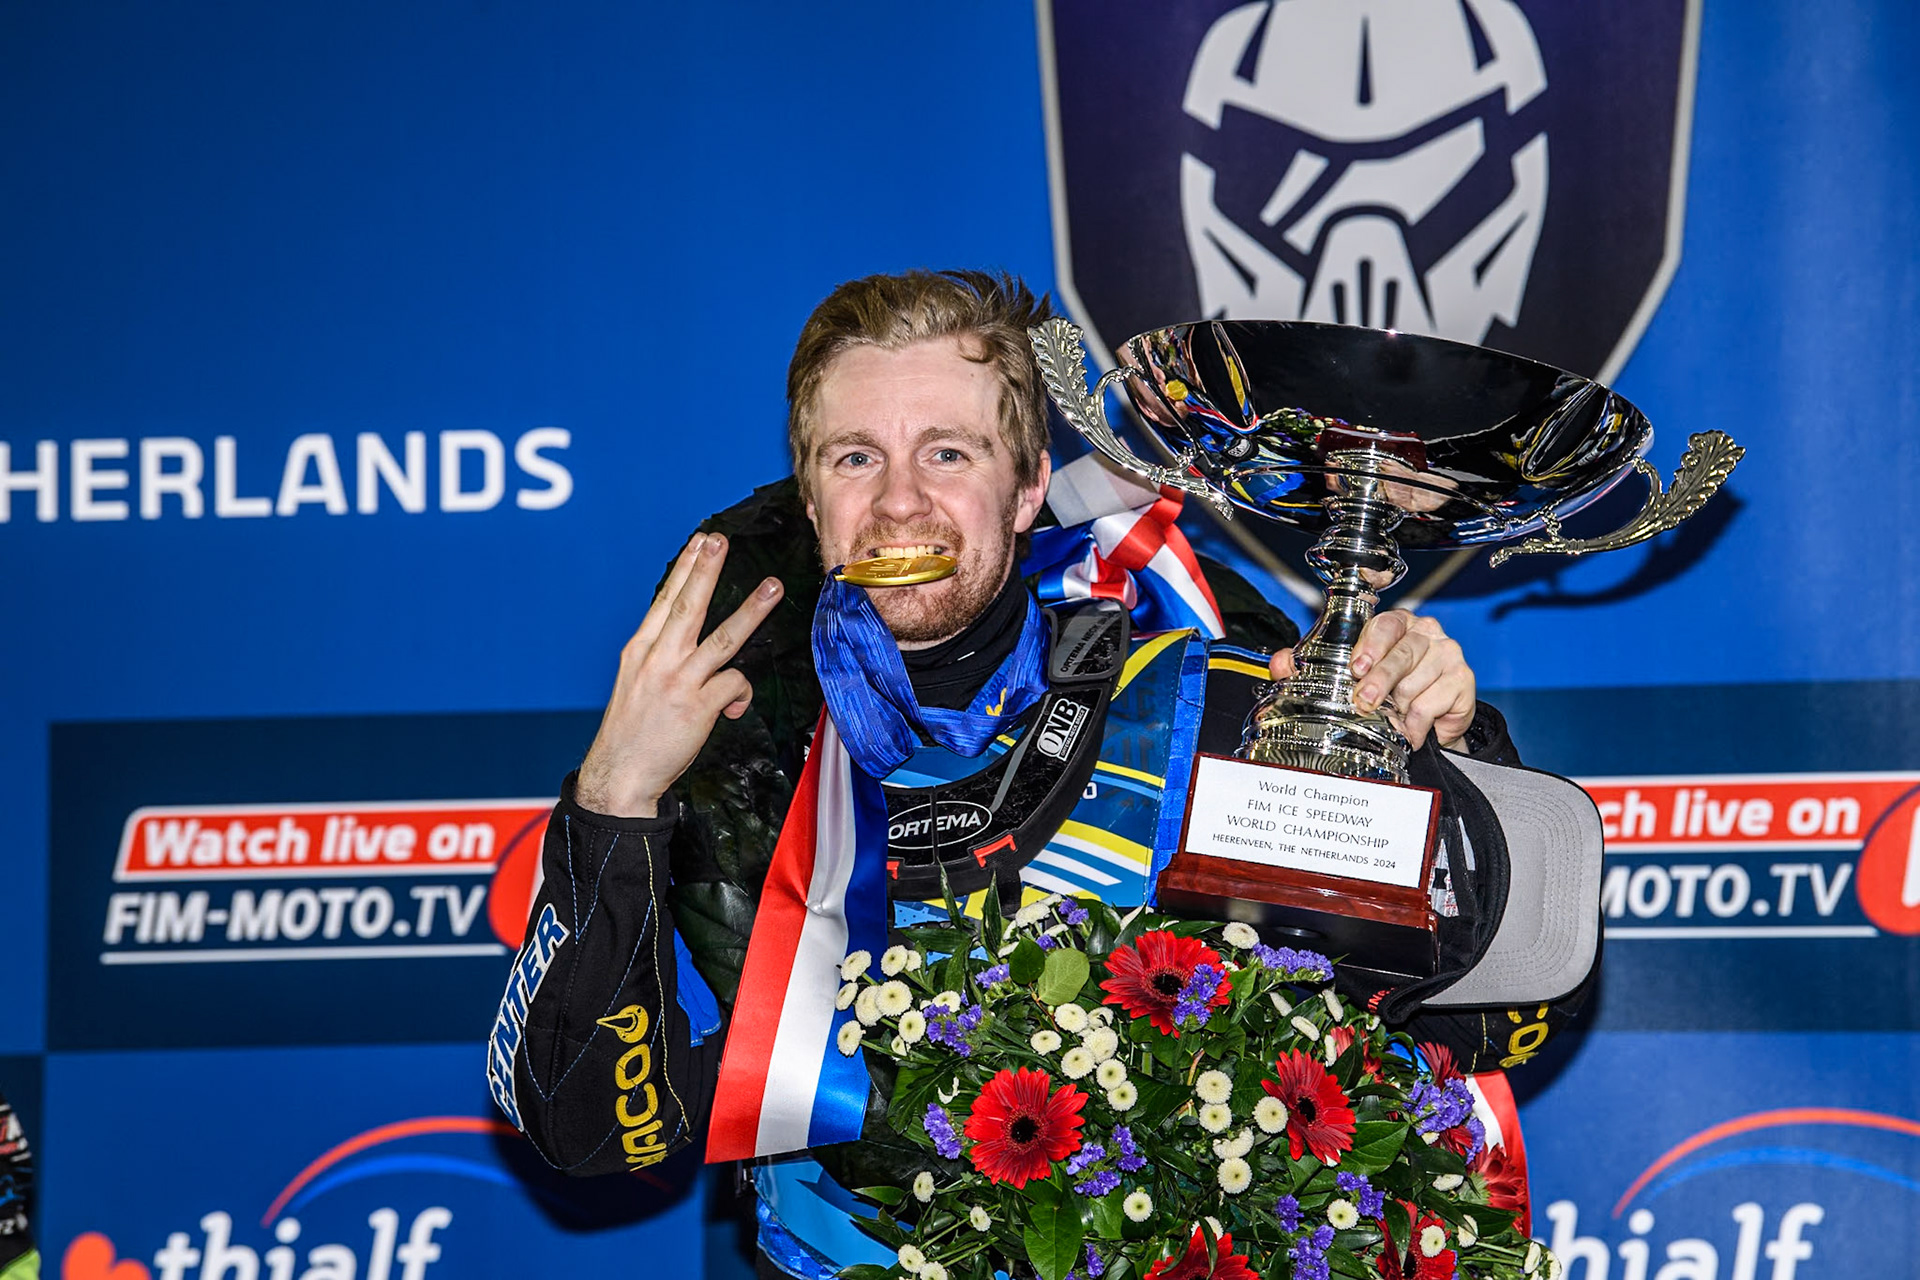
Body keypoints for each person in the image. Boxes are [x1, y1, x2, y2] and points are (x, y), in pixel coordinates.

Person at [489, 270, 1568, 1277]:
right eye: (855, 456)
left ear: (1028, 489)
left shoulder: (1196, 691)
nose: (900, 502)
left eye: (948, 453)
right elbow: (588, 1131)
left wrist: (1450, 749)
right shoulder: (733, 740)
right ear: (812, 501)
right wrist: (615, 801)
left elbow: (1483, 1021)